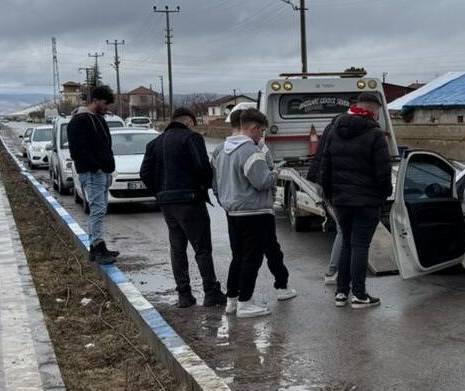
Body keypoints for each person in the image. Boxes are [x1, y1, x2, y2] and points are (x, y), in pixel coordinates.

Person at [140, 107, 226, 309]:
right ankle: (211, 292)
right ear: (188, 121)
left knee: (177, 248)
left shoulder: (154, 143)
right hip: (190, 199)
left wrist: (159, 191)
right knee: (202, 248)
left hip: (166, 203)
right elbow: (202, 166)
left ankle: (184, 295)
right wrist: (203, 186)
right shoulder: (191, 138)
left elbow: (144, 172)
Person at [212, 108, 288, 318]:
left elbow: (217, 182)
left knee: (238, 257)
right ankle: (246, 303)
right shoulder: (250, 151)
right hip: (254, 212)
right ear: (253, 129)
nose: (261, 136)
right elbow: (262, 181)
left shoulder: (223, 150)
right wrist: (275, 173)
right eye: (261, 131)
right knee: (252, 259)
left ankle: (232, 301)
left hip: (233, 212)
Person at [320, 92, 391, 309]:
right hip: (367, 200)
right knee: (360, 245)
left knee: (347, 244)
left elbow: (326, 166)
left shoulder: (334, 130)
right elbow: (383, 171)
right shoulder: (375, 134)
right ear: (372, 110)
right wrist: (384, 194)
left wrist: (330, 195)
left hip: (341, 200)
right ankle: (359, 295)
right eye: (378, 110)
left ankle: (341, 293)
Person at [67, 85, 119, 264]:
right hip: (92, 172)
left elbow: (105, 145)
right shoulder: (79, 120)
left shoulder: (99, 119)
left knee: (101, 209)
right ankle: (97, 248)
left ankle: (98, 246)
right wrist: (95, 167)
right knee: (97, 209)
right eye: (105, 103)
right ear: (95, 100)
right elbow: (77, 150)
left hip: (102, 171)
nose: (107, 108)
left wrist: (107, 168)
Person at [306, 114, 341, 286]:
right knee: (344, 231)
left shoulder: (330, 128)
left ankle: (334, 270)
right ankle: (334, 271)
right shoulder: (340, 132)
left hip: (324, 183)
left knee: (343, 230)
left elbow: (322, 161)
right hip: (336, 188)